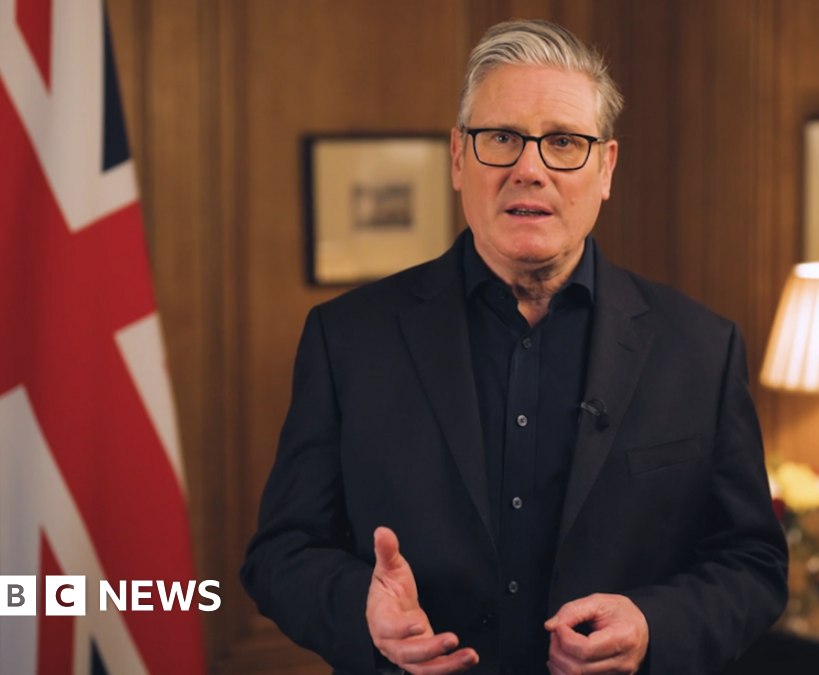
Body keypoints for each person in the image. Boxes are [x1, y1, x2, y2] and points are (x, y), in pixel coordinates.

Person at [241, 19, 787, 675]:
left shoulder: (701, 347)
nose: (529, 168)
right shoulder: (348, 338)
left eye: (563, 142)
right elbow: (281, 551)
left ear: (606, 167)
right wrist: (365, 609)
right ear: (457, 158)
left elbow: (752, 563)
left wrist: (651, 625)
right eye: (501, 138)